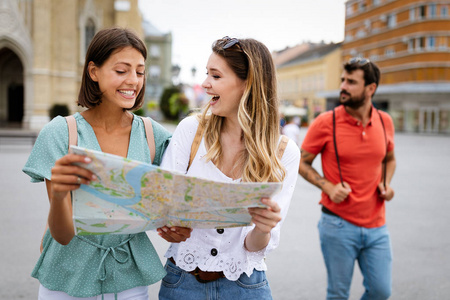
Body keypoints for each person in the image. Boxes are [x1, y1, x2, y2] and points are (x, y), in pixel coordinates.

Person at [22, 27, 190, 299]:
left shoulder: (153, 135)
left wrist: (175, 223)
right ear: (94, 72)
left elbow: (174, 198)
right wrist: (59, 195)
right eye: (122, 70)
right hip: (66, 279)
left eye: (140, 71)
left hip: (130, 281)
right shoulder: (60, 133)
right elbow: (63, 235)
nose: (133, 81)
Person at [156, 36, 300, 300]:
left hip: (246, 288)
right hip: (182, 283)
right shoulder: (191, 131)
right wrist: (168, 225)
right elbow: (164, 211)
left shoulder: (283, 152)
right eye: (206, 74)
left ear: (248, 84)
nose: (205, 83)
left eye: (216, 76)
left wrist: (263, 228)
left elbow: (254, 247)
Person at [298, 57, 396, 300]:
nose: (343, 86)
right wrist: (327, 186)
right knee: (339, 294)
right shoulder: (325, 122)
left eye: (351, 82)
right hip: (338, 224)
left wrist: (386, 183)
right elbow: (300, 162)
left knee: (381, 291)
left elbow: (389, 159)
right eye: (343, 79)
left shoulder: (385, 121)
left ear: (370, 88)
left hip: (377, 225)